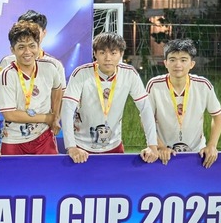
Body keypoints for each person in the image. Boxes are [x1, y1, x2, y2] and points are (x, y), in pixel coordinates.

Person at [60, 32, 158, 164]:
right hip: (81, 147)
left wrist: (152, 145)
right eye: (102, 53)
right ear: (95, 54)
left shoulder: (129, 74)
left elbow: (145, 108)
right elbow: (67, 109)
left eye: (113, 53)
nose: (108, 58)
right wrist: (71, 147)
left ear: (121, 54)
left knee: (117, 178)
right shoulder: (81, 73)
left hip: (114, 146)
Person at [146, 38, 221, 168]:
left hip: (197, 154)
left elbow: (218, 116)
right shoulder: (154, 85)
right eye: (172, 60)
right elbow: (146, 120)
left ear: (192, 64)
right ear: (165, 63)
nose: (178, 65)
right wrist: (160, 146)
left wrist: (212, 145)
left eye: (183, 60)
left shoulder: (203, 85)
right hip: (165, 154)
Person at [0, 22, 64, 154]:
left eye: (32, 46)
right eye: (21, 47)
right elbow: (9, 114)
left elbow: (57, 88)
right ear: (12, 50)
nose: (27, 52)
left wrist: (55, 116)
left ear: (38, 46)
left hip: (43, 136)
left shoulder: (49, 68)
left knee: (50, 168)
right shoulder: (7, 74)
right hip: (14, 139)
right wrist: (47, 118)